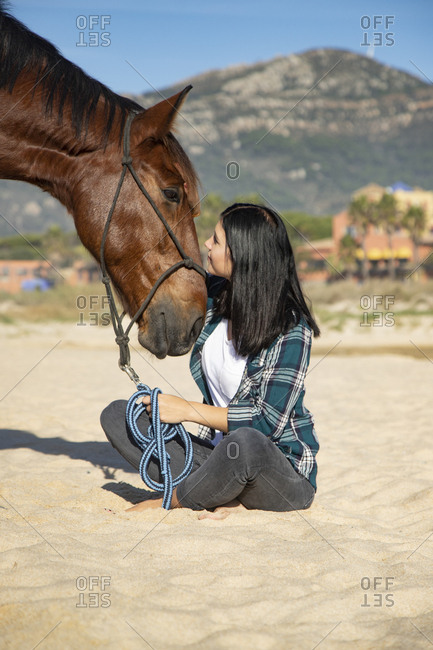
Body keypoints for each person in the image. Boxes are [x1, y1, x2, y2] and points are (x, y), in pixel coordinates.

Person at [100, 203, 320, 518]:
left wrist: (185, 410)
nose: (206, 244)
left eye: (215, 241)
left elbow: (266, 421)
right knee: (120, 416)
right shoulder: (215, 294)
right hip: (217, 457)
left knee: (246, 444)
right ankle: (217, 492)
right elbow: (164, 282)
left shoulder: (290, 326)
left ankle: (176, 499)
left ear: (241, 255)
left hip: (276, 470)